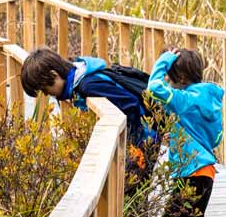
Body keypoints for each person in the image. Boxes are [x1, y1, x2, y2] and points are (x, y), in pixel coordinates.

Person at [146, 47, 223, 217]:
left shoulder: (186, 100)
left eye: (170, 75)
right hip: (200, 171)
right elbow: (217, 136)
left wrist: (163, 60)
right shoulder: (208, 100)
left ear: (177, 76)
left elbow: (153, 87)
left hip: (193, 171)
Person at [20, 48, 158, 185]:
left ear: (54, 75)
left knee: (132, 188)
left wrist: (134, 145)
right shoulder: (81, 80)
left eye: (44, 89)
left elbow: (130, 105)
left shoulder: (88, 86)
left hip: (145, 136)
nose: (46, 94)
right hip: (142, 136)